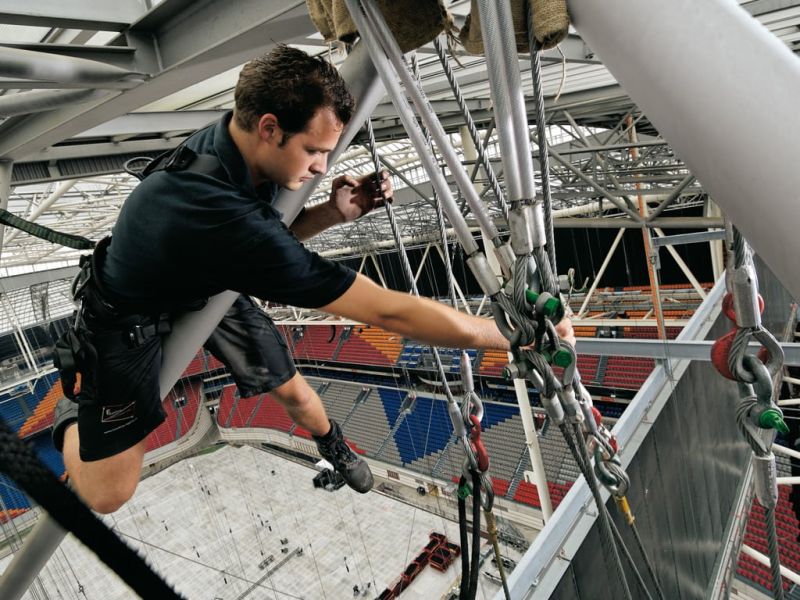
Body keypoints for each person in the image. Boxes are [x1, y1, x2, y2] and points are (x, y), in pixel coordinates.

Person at [51, 44, 572, 515]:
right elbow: (385, 311)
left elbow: (257, 242)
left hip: (202, 279)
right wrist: (510, 334)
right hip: (126, 316)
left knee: (298, 395)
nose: (324, 167)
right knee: (108, 494)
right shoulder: (216, 212)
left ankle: (333, 443)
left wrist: (333, 213)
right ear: (270, 127)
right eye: (314, 151)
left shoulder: (234, 144)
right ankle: (81, 395)